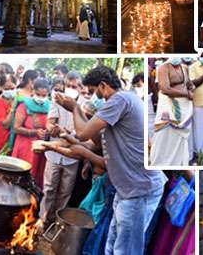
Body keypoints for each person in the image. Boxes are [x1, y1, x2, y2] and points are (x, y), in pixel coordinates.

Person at [54, 65, 167, 254]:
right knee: (113, 245)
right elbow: (95, 141)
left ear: (103, 85)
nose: (92, 96)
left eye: (92, 91)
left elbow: (82, 134)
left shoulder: (119, 100)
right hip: (128, 189)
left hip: (139, 189)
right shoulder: (120, 102)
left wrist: (74, 108)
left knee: (126, 250)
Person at [39, 72, 82, 228]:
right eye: (68, 86)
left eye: (74, 86)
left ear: (80, 86)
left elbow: (84, 132)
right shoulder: (57, 100)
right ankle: (43, 220)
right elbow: (49, 123)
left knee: (65, 192)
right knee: (49, 188)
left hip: (73, 154)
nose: (70, 89)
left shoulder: (84, 103)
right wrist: (53, 128)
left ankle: (58, 223)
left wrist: (68, 133)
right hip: (55, 151)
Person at [150, 58, 193, 165]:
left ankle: (179, 163)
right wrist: (186, 94)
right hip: (167, 106)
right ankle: (160, 163)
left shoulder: (184, 67)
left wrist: (191, 88)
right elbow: (165, 89)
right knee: (164, 134)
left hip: (184, 106)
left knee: (179, 138)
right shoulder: (163, 68)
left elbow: (188, 84)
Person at [12, 79, 51, 190]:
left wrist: (47, 133)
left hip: (41, 148)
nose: (40, 97)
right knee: (22, 177)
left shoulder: (50, 107)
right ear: (33, 91)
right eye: (38, 94)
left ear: (48, 94)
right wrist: (35, 132)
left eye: (44, 95)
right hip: (25, 147)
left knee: (37, 179)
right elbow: (16, 128)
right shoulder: (24, 105)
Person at [0, 74, 17, 155]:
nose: (10, 90)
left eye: (12, 88)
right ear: (1, 87)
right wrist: (12, 109)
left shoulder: (19, 99)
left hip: (15, 138)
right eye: (6, 88)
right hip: (1, 137)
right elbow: (5, 125)